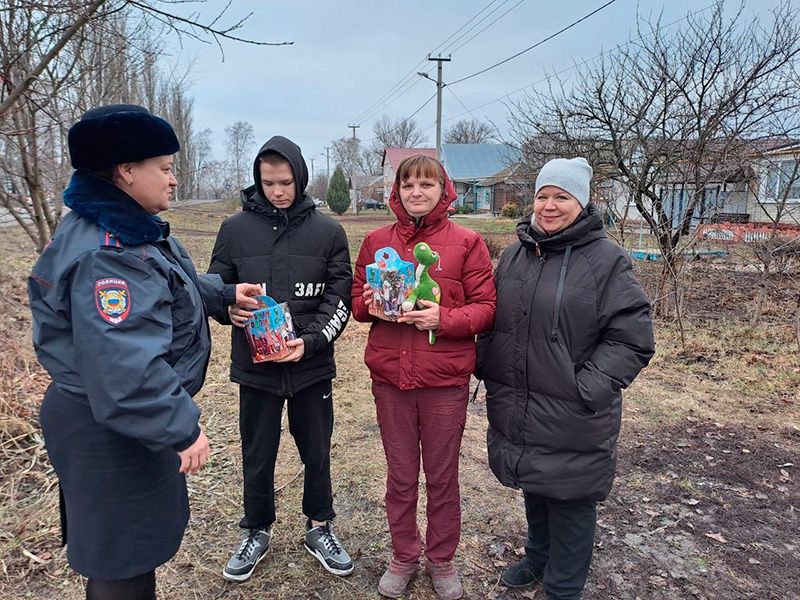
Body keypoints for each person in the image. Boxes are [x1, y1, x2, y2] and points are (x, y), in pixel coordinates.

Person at [28, 104, 262, 600]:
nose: (173, 180)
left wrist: (221, 295)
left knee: (133, 547)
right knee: (122, 558)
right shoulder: (109, 253)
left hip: (115, 417)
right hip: (109, 426)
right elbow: (124, 363)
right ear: (126, 171)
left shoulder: (124, 230)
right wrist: (180, 427)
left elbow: (163, 281)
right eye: (165, 168)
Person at [476, 157, 655, 600]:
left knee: (571, 500)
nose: (549, 206)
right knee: (534, 484)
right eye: (543, 196)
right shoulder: (518, 253)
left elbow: (632, 337)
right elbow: (498, 318)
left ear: (582, 202)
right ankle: (538, 557)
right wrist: (484, 359)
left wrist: (588, 386)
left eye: (562, 197)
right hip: (520, 399)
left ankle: (562, 587)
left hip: (574, 408)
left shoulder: (606, 260)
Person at [208, 136, 354, 582]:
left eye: (286, 182)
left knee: (317, 451)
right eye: (269, 182)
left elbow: (339, 297)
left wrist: (309, 342)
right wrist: (226, 306)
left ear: (301, 177)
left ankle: (319, 526)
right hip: (256, 369)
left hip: (311, 367)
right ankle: (256, 529)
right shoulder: (235, 229)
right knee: (257, 452)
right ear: (258, 180)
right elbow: (215, 285)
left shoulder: (328, 232)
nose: (277, 191)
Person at [351, 155, 496, 600]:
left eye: (426, 184)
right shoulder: (377, 241)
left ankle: (442, 559)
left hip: (444, 382)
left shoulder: (467, 242)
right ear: (397, 191)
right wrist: (372, 303)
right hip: (391, 379)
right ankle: (403, 555)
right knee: (399, 474)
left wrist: (444, 317)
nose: (417, 192)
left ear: (443, 190)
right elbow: (357, 302)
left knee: (441, 475)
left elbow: (487, 309)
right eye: (408, 184)